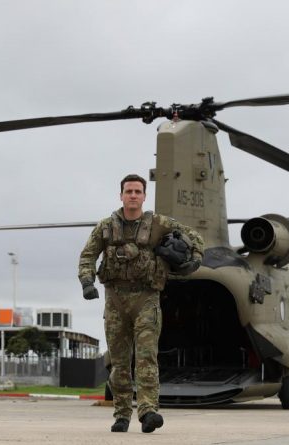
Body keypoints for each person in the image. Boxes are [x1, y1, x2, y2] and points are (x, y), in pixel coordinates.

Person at [78, 173, 204, 433]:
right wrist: (87, 282)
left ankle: (148, 411)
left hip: (146, 298)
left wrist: (195, 259)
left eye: (137, 191)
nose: (133, 195)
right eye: (129, 191)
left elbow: (194, 236)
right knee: (119, 360)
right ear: (121, 195)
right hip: (115, 301)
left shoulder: (159, 224)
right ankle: (122, 413)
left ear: (144, 196)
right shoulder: (105, 227)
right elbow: (88, 255)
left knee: (147, 356)